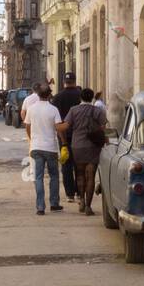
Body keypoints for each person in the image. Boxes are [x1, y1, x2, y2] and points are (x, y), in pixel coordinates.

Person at [59, 88, 107, 215]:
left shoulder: (74, 110)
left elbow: (65, 126)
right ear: (92, 98)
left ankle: (81, 201)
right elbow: (103, 127)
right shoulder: (98, 110)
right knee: (90, 176)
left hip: (77, 145)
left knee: (79, 174)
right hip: (93, 147)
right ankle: (88, 207)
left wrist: (54, 126)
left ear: (80, 98)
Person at [25, 84, 63, 215]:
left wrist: (32, 139)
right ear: (49, 95)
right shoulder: (54, 109)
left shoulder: (31, 109)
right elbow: (58, 128)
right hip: (50, 147)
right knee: (54, 176)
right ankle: (54, 203)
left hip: (36, 147)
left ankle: (40, 207)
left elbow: (27, 126)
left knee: (38, 177)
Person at [53, 73, 82, 201]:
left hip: (63, 135)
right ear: (75, 81)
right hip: (80, 135)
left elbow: (57, 121)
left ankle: (70, 194)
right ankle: (80, 192)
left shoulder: (58, 97)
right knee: (79, 164)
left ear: (64, 82)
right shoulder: (81, 96)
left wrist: (63, 140)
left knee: (66, 164)